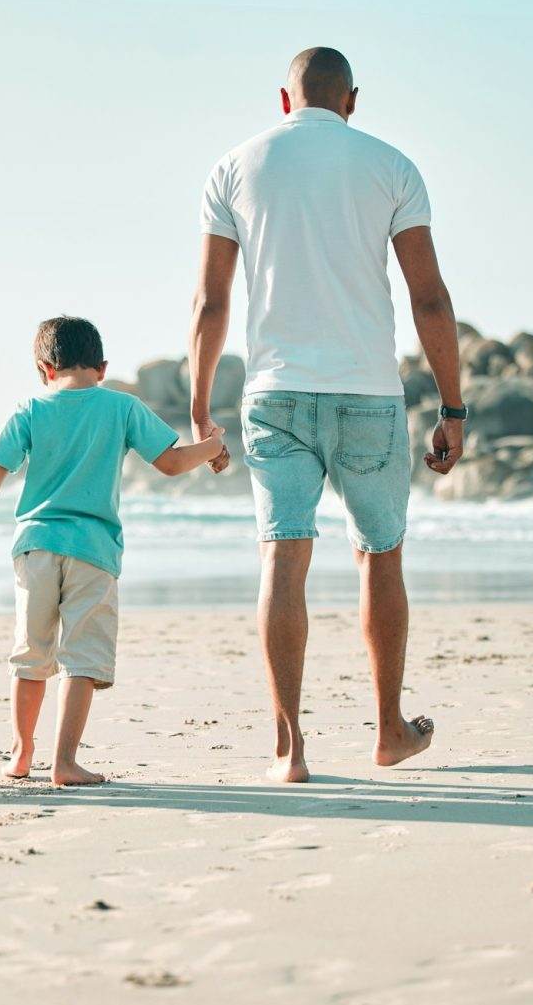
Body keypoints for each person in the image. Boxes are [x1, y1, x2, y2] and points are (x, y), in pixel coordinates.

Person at [187, 47, 466, 782]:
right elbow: (428, 296)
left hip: (274, 393)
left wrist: (199, 410)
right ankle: (388, 731)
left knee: (284, 553)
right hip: (369, 391)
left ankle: (290, 747)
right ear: (352, 100)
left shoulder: (235, 167)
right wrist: (454, 405)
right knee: (380, 552)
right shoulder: (391, 165)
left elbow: (211, 303)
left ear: (285, 101)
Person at [0, 316, 226, 786]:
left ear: (44, 367)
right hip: (93, 551)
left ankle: (21, 754)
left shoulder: (30, 409)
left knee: (30, 654)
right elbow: (171, 463)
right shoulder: (122, 406)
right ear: (102, 367)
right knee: (82, 657)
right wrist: (212, 446)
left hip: (35, 546)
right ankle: (65, 761)